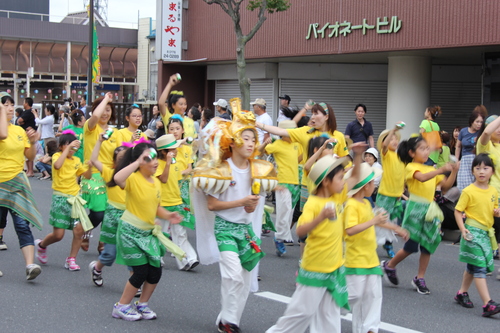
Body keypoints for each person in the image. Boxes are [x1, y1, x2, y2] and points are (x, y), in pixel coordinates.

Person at [192, 103, 276, 333]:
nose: (250, 143)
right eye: (246, 138)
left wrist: (251, 207)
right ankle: (228, 320)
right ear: (234, 140)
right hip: (225, 228)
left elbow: (252, 202)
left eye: (253, 139)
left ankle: (229, 321)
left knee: (245, 280)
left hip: (246, 231)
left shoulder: (257, 169)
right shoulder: (219, 169)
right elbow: (212, 205)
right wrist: (242, 202)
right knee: (233, 275)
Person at [267, 147, 364, 333]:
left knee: (330, 316)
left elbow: (355, 178)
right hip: (315, 268)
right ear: (326, 181)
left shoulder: (338, 195)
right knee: (300, 313)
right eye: (339, 178)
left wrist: (358, 155)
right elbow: (300, 231)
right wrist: (320, 217)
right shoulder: (312, 203)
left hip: (333, 267)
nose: (343, 181)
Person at [108, 142, 182, 321]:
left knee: (155, 270)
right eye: (149, 159)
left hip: (148, 233)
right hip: (130, 232)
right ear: (140, 161)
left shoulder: (156, 182)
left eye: (155, 157)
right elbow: (118, 179)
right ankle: (121, 306)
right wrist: (137, 162)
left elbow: (156, 207)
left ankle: (142, 304)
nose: (154, 162)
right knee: (140, 271)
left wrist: (169, 214)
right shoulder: (133, 178)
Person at [382, 136, 458, 294]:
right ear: (411, 152)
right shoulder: (410, 167)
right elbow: (421, 178)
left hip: (430, 210)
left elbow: (445, 187)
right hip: (415, 208)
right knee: (411, 246)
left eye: (427, 148)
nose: (426, 151)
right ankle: (389, 266)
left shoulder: (432, 169)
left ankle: (420, 278)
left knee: (427, 245)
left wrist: (454, 172)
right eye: (422, 149)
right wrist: (442, 169)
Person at [344, 163, 408, 333]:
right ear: (364, 186)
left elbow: (377, 220)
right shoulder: (351, 205)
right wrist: (373, 221)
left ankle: (368, 329)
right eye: (373, 183)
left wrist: (397, 229)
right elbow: (349, 230)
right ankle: (326, 308)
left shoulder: (365, 203)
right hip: (355, 259)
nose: (375, 186)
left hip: (370, 259)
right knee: (354, 296)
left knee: (373, 296)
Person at [0, 92, 43, 280]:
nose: (10, 108)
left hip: (18, 181)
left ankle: (30, 265)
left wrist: (33, 142)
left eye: (11, 104)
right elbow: (2, 134)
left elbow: (31, 157)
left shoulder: (18, 130)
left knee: (22, 223)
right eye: (5, 105)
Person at [35, 131, 90, 271]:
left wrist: (91, 165)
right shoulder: (57, 156)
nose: (72, 148)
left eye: (74, 145)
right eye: (68, 144)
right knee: (58, 235)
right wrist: (67, 148)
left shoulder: (77, 160)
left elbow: (86, 175)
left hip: (75, 199)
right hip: (60, 198)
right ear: (61, 146)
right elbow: (58, 166)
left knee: (79, 231)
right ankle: (41, 246)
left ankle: (71, 259)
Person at [453, 153, 500, 317]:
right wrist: (462, 229)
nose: (481, 171)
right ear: (472, 171)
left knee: (472, 267)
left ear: (492, 172)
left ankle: (461, 293)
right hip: (472, 233)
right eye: (478, 168)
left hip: (485, 234)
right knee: (480, 267)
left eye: (485, 168)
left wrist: (497, 211)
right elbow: (458, 211)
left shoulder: (493, 190)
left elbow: (494, 211)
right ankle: (487, 304)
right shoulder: (468, 191)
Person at [88, 135, 129, 287]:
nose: (123, 160)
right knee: (109, 254)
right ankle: (97, 269)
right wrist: (99, 141)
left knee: (131, 251)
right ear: (114, 161)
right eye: (120, 158)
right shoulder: (108, 172)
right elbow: (93, 159)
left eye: (126, 158)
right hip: (112, 216)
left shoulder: (134, 175)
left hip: (129, 216)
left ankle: (135, 283)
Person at [81, 93, 118, 253]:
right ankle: (85, 231)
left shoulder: (115, 132)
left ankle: (102, 242)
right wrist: (106, 99)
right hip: (92, 175)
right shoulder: (90, 127)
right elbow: (96, 116)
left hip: (109, 175)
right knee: (98, 214)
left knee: (109, 212)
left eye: (108, 110)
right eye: (103, 109)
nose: (105, 113)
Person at [156, 133, 199, 271]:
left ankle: (189, 259)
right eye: (172, 149)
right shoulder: (157, 164)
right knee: (160, 234)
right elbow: (163, 179)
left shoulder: (175, 161)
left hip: (176, 201)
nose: (175, 150)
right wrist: (167, 163)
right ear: (163, 152)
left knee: (180, 233)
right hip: (161, 203)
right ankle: (156, 258)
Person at [259, 120, 302, 255]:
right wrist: (265, 143)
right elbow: (261, 152)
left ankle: (282, 237)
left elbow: (299, 159)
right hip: (282, 182)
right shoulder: (277, 144)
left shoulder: (297, 145)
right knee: (284, 212)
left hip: (295, 182)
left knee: (289, 213)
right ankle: (279, 238)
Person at [376, 124, 405, 258]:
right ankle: (366, 242)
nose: (394, 141)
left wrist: (401, 193)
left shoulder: (400, 157)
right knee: (380, 221)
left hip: (396, 196)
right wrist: (393, 130)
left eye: (396, 138)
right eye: (390, 139)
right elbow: (384, 146)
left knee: (390, 222)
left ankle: (388, 244)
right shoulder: (386, 154)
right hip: (385, 194)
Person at [476, 114, 500, 259]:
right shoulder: (485, 145)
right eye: (496, 127)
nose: (499, 130)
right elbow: (486, 133)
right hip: (489, 195)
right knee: (490, 229)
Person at [456, 110, 484, 190]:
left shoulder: (482, 132)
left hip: (477, 159)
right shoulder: (463, 131)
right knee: (463, 183)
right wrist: (457, 160)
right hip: (465, 160)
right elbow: (458, 146)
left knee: (477, 183)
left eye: (481, 122)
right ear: (472, 121)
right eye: (477, 121)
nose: (479, 124)